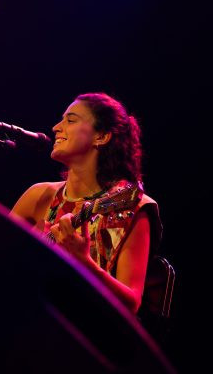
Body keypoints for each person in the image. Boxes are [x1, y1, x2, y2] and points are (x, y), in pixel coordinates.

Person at [11, 92, 162, 315]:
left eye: (70, 120)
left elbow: (131, 304)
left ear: (101, 137)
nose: (56, 127)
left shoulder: (132, 207)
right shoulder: (38, 196)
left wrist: (84, 262)